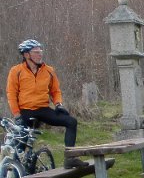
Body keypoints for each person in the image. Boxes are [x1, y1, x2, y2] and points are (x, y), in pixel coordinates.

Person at [6, 39, 87, 168]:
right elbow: (11, 93)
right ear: (26, 55)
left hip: (43, 109)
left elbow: (55, 91)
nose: (40, 54)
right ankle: (15, 171)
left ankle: (70, 158)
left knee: (71, 122)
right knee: (21, 143)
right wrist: (17, 115)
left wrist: (58, 104)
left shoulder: (48, 70)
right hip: (25, 110)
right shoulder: (16, 71)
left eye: (40, 51)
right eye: (36, 52)